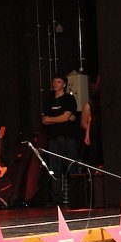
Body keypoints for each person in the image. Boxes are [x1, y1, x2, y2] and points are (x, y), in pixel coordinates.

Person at [41, 74, 79, 205]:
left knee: (71, 167)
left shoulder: (69, 98)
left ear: (64, 84)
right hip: (53, 138)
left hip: (67, 137)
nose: (55, 84)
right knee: (54, 168)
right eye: (54, 81)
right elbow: (44, 120)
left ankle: (77, 197)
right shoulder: (48, 100)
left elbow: (66, 117)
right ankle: (56, 198)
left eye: (58, 82)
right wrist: (60, 118)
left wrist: (54, 119)